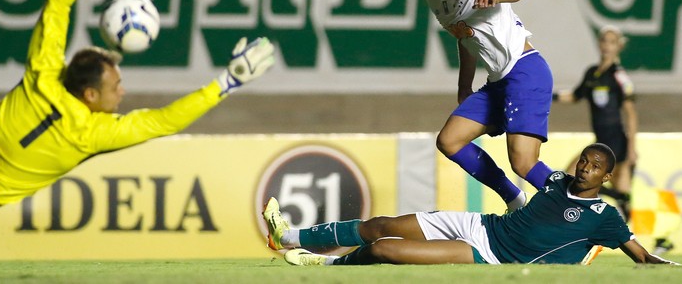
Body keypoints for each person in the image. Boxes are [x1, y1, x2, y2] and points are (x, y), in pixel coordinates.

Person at [0, 0, 275, 207]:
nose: (122, 91)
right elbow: (163, 121)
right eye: (115, 86)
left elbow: (57, 0)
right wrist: (226, 83)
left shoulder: (43, 73)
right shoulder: (91, 134)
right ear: (90, 95)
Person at [262, 143, 679, 266]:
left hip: (488, 255)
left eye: (595, 166)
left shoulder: (604, 217)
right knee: (379, 224)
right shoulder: (554, 180)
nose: (585, 167)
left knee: (384, 248)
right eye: (584, 160)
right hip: (481, 224)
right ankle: (286, 235)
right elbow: (520, 161)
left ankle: (329, 265)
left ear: (607, 178)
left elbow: (641, 257)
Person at [415, 0, 553, 211]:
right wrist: (464, 87)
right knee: (450, 140)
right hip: (498, 83)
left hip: (525, 71)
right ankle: (515, 199)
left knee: (524, 162)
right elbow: (464, 38)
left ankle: (585, 207)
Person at [553, 25, 673, 254]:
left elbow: (630, 112)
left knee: (577, 178)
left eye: (611, 41)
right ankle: (653, 239)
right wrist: (548, 94)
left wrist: (632, 147)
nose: (606, 45)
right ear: (600, 44)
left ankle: (655, 239)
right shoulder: (592, 73)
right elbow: (575, 96)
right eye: (604, 40)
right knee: (621, 194)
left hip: (616, 141)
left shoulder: (619, 77)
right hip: (601, 142)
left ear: (619, 45)